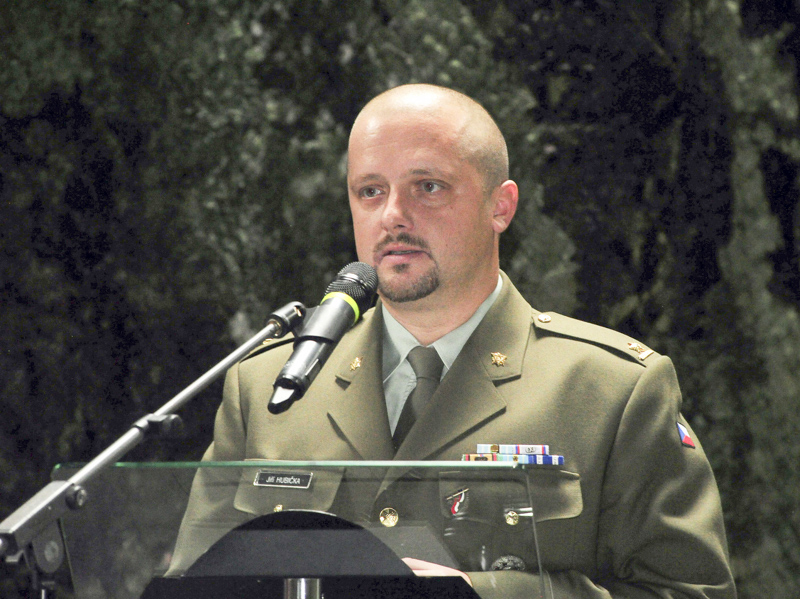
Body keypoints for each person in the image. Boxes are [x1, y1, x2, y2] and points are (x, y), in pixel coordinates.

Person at [168, 84, 736, 598]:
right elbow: (192, 587)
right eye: (370, 191)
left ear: (500, 207)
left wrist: (483, 595)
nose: (393, 216)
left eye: (428, 187)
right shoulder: (269, 384)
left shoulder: (611, 391)